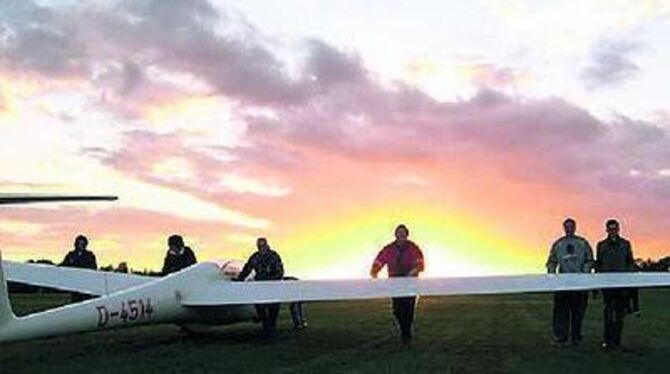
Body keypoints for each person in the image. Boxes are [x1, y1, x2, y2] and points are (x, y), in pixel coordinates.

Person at [370, 224, 425, 343]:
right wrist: (374, 272)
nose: (401, 235)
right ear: (396, 235)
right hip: (394, 282)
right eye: (399, 233)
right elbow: (379, 261)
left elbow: (420, 265)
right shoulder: (389, 248)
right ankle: (404, 329)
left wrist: (411, 273)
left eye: (403, 233)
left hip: (410, 282)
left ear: (406, 234)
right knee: (397, 310)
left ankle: (406, 334)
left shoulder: (413, 247)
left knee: (408, 308)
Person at [546, 218, 594, 347]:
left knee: (578, 312)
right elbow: (551, 262)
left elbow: (590, 260)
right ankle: (560, 338)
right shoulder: (558, 244)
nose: (569, 229)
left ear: (575, 227)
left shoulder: (583, 243)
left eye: (571, 226)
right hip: (562, 285)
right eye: (566, 227)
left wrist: (583, 274)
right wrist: (552, 276)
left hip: (580, 285)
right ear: (564, 228)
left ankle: (576, 338)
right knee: (561, 313)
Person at [595, 219, 635, 349]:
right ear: (607, 230)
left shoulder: (625, 244)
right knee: (608, 313)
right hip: (607, 284)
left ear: (618, 229)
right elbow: (599, 264)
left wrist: (628, 278)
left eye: (615, 229)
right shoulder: (601, 245)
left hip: (621, 285)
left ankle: (616, 341)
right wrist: (598, 282)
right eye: (610, 229)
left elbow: (630, 262)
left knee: (619, 314)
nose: (612, 231)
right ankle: (606, 340)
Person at [236, 238, 284, 336]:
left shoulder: (274, 256)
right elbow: (247, 269)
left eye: (263, 245)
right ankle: (266, 328)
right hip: (259, 286)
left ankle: (272, 328)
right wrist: (239, 280)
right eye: (259, 246)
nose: (261, 247)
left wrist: (272, 280)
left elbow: (279, 271)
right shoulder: (255, 256)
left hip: (272, 286)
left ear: (267, 245)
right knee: (260, 308)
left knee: (273, 309)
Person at [60, 235, 98, 302]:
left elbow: (93, 267)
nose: (81, 245)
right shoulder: (71, 254)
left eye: (83, 244)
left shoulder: (90, 255)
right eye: (79, 243)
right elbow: (64, 264)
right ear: (76, 244)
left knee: (86, 300)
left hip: (86, 283)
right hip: (75, 283)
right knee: (75, 300)